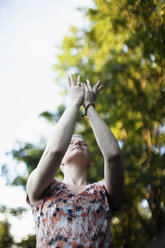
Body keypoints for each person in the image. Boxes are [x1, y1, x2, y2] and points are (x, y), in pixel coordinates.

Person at [26, 74, 124, 248]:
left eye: (82, 143)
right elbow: (54, 150)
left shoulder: (104, 191)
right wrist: (74, 102)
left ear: (90, 161)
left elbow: (114, 155)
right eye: (70, 142)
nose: (77, 142)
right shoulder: (42, 187)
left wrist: (89, 106)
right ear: (60, 162)